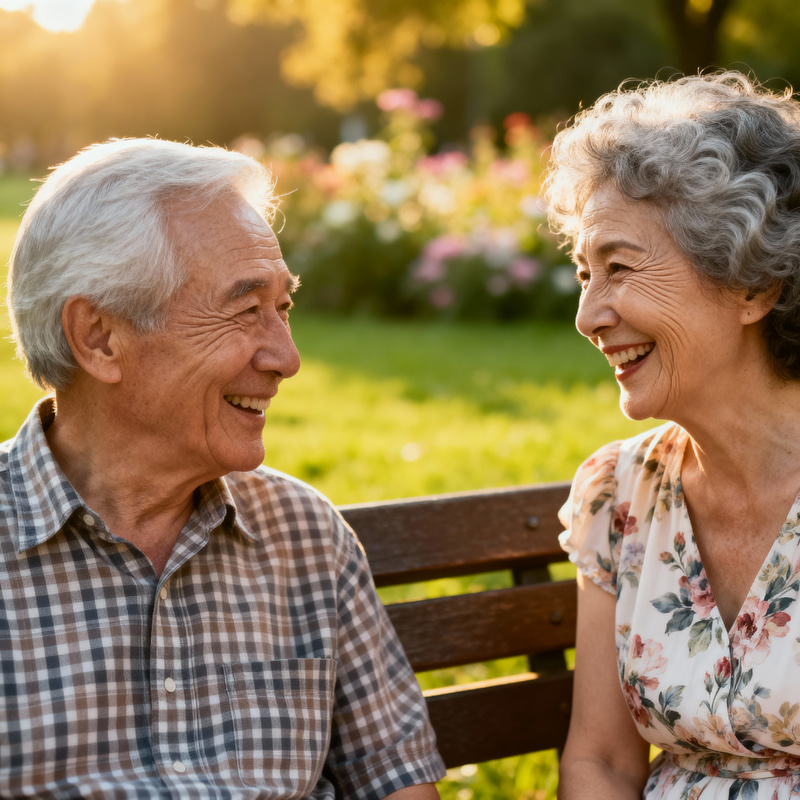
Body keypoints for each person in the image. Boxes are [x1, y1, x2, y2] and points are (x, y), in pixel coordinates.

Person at [1, 137, 445, 799]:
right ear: (99, 337)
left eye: (283, 308)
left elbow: (397, 784)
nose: (286, 357)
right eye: (245, 309)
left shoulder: (304, 537)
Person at [545, 71, 800, 799]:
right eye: (583, 274)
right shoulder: (618, 493)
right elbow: (601, 761)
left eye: (619, 267)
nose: (588, 316)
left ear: (754, 285)